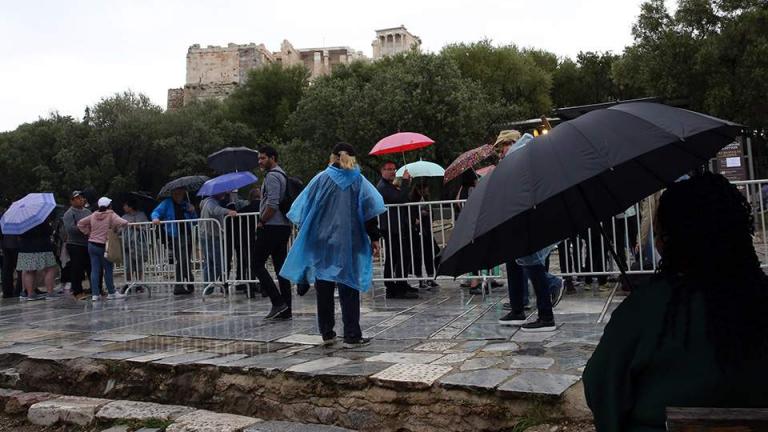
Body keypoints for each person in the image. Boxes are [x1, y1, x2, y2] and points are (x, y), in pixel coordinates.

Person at [583, 172, 768, 431]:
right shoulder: (760, 297)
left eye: (659, 234)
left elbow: (600, 386)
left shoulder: (646, 310)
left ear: (672, 242)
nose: (657, 243)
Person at [280, 142, 386, 348]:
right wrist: (374, 236)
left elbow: (303, 208)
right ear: (352, 159)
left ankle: (327, 332)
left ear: (332, 157)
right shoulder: (358, 181)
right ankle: (352, 334)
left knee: (324, 286)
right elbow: (369, 209)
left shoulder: (320, 179)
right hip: (350, 240)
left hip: (322, 240)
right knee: (349, 285)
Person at [254, 146, 293, 319]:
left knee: (255, 264)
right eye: (259, 159)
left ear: (273, 158)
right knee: (280, 267)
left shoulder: (272, 177)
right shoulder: (283, 174)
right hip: (283, 226)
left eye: (263, 158)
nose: (260, 162)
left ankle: (278, 302)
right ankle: (286, 309)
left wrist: (262, 221)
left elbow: (272, 204)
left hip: (272, 226)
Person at [377, 161, 418, 299]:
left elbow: (404, 197)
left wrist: (407, 184)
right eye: (389, 169)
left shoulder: (390, 185)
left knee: (401, 255)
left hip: (397, 226)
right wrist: (405, 182)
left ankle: (401, 283)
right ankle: (394, 287)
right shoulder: (383, 186)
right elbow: (398, 199)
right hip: (391, 227)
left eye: (394, 169)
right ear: (382, 171)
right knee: (396, 256)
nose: (393, 172)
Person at [78, 197, 128, 301]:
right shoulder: (111, 214)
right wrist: (116, 229)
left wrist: (88, 232)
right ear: (109, 205)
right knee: (108, 269)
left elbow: (80, 224)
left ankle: (95, 294)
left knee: (94, 270)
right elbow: (124, 222)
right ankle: (111, 292)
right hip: (104, 246)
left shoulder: (93, 215)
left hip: (92, 244)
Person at [151, 188, 197, 295]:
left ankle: (188, 280)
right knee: (182, 260)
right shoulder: (167, 203)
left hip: (187, 234)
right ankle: (181, 284)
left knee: (186, 259)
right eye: (176, 193)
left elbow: (194, 221)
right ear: (172, 194)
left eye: (180, 193)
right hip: (175, 236)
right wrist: (155, 218)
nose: (178, 195)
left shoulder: (186, 204)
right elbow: (156, 212)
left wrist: (192, 211)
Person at [16, 215, 58, 301]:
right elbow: (49, 231)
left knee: (29, 271)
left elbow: (19, 233)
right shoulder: (39, 218)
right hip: (42, 247)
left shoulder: (21, 220)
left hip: (25, 248)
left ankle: (30, 294)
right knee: (50, 269)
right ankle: (50, 293)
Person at [200, 192, 236, 284]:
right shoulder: (210, 202)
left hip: (209, 236)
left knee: (210, 263)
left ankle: (209, 285)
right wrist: (228, 211)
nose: (224, 193)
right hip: (211, 236)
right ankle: (210, 284)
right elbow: (215, 210)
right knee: (218, 263)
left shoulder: (210, 202)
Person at [409, 183, 440, 289]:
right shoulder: (413, 200)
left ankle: (431, 276)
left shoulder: (426, 199)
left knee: (431, 252)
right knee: (419, 254)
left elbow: (431, 214)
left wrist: (427, 213)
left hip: (427, 230)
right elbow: (411, 213)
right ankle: (421, 278)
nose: (426, 190)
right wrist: (419, 214)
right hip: (418, 230)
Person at [63, 191, 92, 300]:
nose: (81, 200)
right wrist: (84, 229)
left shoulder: (88, 212)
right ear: (72, 201)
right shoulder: (69, 214)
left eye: (81, 198)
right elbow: (70, 229)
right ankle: (77, 291)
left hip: (88, 243)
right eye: (77, 198)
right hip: (75, 244)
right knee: (77, 269)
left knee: (91, 267)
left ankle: (95, 289)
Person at [121, 198, 149, 292]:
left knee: (139, 264)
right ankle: (128, 283)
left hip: (139, 243)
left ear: (131, 206)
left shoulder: (141, 215)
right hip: (127, 243)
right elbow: (120, 229)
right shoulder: (124, 217)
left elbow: (146, 227)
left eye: (125, 205)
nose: (124, 207)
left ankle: (139, 283)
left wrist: (136, 226)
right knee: (128, 265)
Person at [0, 222, 23, 299]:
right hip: (17, 243)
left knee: (7, 269)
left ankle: (7, 292)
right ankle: (19, 290)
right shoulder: (20, 215)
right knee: (21, 268)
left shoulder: (7, 216)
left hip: (6, 243)